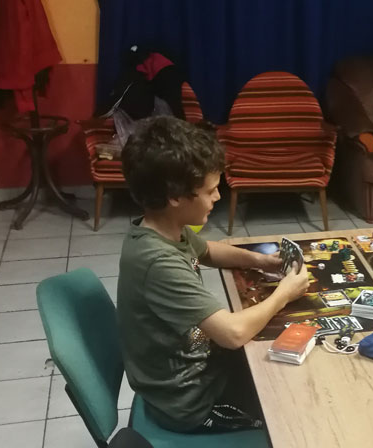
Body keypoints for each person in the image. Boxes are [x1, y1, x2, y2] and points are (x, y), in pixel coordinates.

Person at [117, 116, 309, 432]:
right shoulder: (158, 262)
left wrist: (261, 261)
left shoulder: (163, 228)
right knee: (293, 405)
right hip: (191, 401)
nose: (218, 197)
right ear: (174, 196)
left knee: (279, 358)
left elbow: (207, 250)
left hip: (199, 366)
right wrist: (284, 293)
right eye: (210, 190)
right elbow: (232, 333)